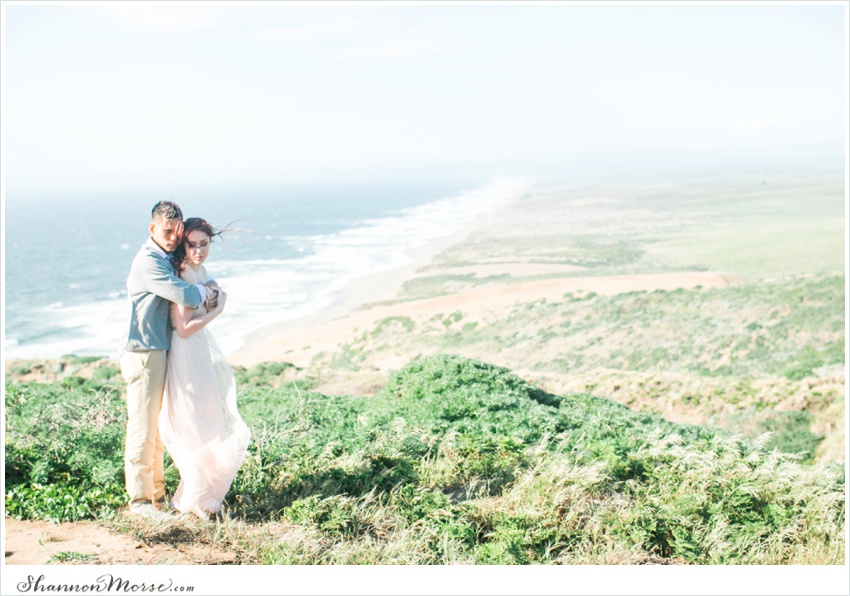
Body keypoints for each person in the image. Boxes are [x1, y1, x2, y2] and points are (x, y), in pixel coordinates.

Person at [121, 201, 219, 519]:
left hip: (158, 351)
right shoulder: (149, 261)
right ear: (152, 229)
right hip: (145, 353)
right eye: (167, 232)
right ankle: (139, 501)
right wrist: (209, 294)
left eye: (178, 233)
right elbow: (186, 294)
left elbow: (190, 272)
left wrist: (208, 282)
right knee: (143, 428)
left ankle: (157, 497)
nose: (174, 238)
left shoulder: (164, 256)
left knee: (158, 429)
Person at [158, 217, 251, 520]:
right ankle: (194, 501)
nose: (198, 251)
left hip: (198, 352)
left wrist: (212, 287)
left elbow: (204, 297)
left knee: (209, 420)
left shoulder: (200, 271)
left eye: (204, 244)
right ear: (183, 245)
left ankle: (199, 498)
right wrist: (219, 308)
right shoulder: (184, 273)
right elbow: (184, 328)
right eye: (192, 244)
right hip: (186, 352)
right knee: (196, 424)